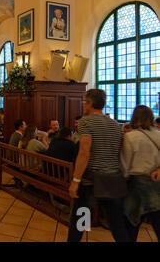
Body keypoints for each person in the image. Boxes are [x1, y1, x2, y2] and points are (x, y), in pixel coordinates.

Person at [67, 89, 130, 242]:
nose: (83, 105)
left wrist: (75, 181)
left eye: (84, 102)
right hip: (113, 179)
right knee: (116, 223)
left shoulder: (85, 122)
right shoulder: (115, 124)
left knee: (81, 219)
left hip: (91, 181)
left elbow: (84, 152)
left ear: (90, 103)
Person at [121, 105, 160, 242]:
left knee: (131, 222)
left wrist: (123, 180)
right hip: (157, 183)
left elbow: (125, 164)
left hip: (137, 184)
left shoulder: (130, 137)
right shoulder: (158, 134)